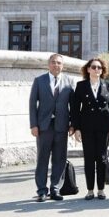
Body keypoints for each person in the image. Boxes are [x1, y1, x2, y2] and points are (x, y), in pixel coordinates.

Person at [29, 53, 75, 202]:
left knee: (59, 159)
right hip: (43, 127)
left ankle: (55, 189)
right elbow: (32, 105)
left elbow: (73, 106)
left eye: (59, 63)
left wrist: (73, 125)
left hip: (62, 126)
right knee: (42, 158)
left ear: (63, 66)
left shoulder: (69, 81)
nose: (56, 65)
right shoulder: (39, 81)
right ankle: (42, 190)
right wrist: (33, 125)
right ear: (49, 64)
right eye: (53, 62)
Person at [70, 58, 109, 200]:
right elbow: (75, 109)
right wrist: (76, 128)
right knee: (89, 159)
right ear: (88, 69)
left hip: (103, 127)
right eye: (94, 67)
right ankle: (90, 190)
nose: (97, 70)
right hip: (87, 127)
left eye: (100, 68)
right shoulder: (81, 85)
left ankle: (101, 190)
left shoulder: (107, 85)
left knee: (101, 159)